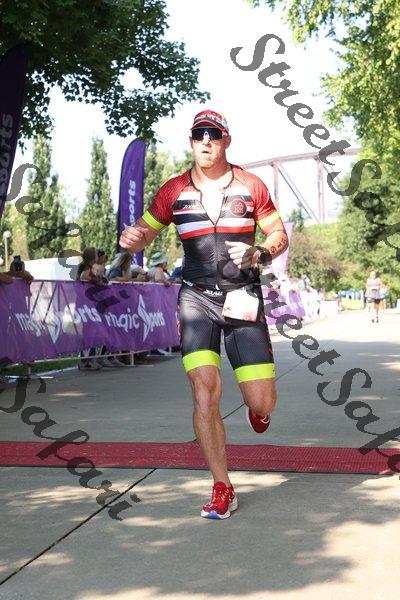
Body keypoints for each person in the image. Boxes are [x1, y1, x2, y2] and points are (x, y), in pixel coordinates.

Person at [119, 109, 289, 520]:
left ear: (226, 140)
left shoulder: (251, 185)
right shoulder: (173, 190)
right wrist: (133, 238)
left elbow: (278, 234)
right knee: (204, 392)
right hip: (196, 299)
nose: (206, 141)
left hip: (242, 297)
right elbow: (146, 230)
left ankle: (258, 410)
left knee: (262, 400)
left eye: (213, 134)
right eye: (199, 135)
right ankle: (221, 485)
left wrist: (261, 251)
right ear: (192, 142)